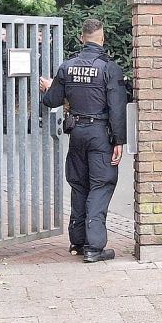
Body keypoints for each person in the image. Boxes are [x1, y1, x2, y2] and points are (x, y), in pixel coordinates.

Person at [39, 19, 127, 263]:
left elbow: (52, 100)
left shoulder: (67, 67)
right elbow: (117, 108)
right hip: (101, 134)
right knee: (101, 185)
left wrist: (49, 87)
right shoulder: (109, 69)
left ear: (81, 38)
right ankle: (94, 247)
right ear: (102, 38)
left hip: (77, 132)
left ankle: (77, 242)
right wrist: (119, 141)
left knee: (79, 184)